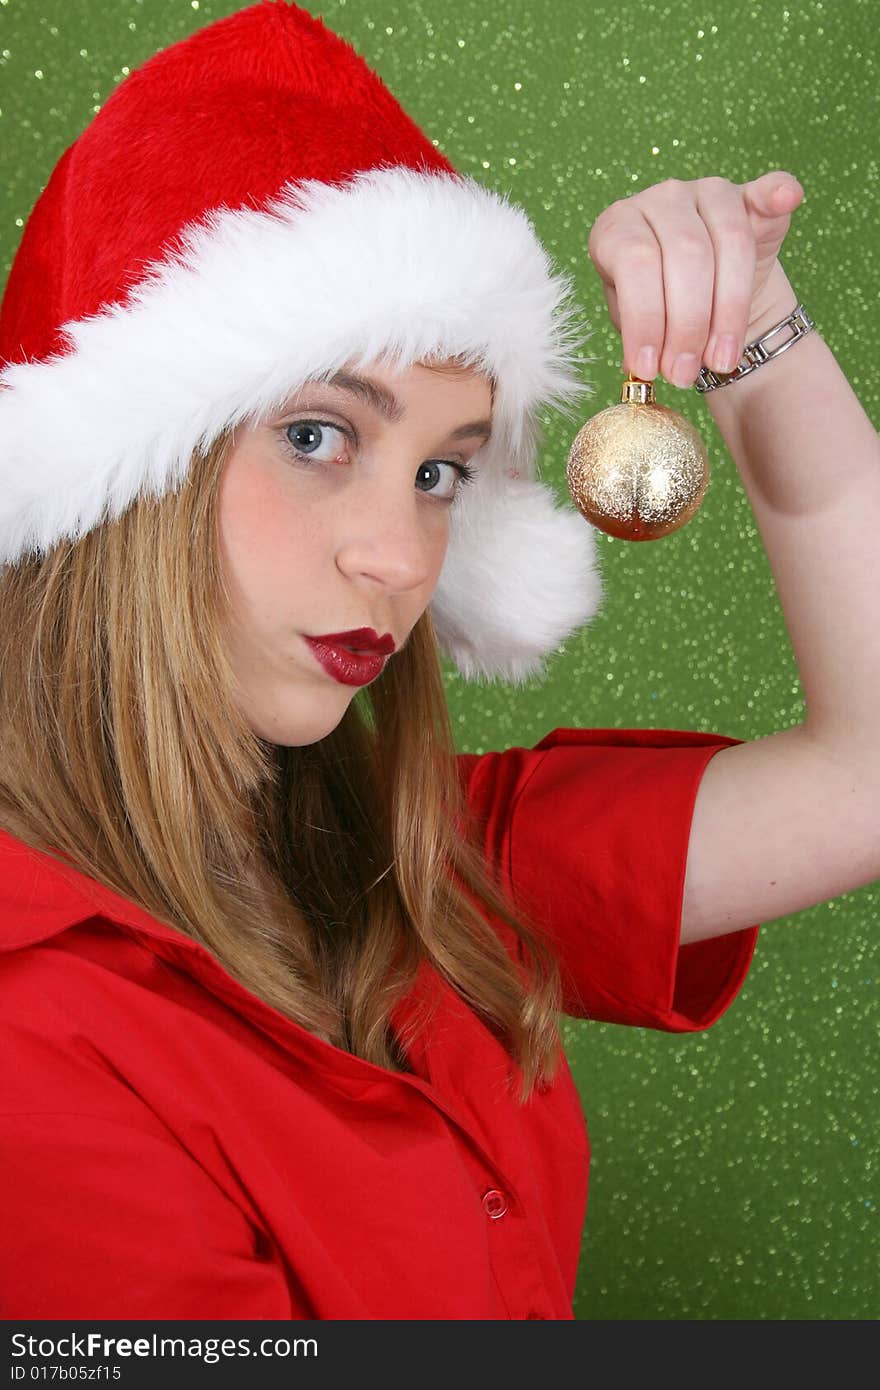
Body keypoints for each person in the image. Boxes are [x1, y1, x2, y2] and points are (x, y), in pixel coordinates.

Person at [0, 0, 877, 1322]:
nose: (401, 556)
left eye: (442, 470)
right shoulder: (35, 1036)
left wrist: (751, 333)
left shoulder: (432, 860)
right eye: (317, 436)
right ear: (124, 474)